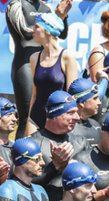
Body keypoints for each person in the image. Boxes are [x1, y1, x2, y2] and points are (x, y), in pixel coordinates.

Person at [6, 0, 70, 136]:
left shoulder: (46, 7)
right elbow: (26, 31)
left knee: (51, 114)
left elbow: (61, 32)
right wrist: (55, 19)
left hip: (45, 63)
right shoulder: (16, 4)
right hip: (25, 65)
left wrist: (61, 17)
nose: (37, 28)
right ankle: (21, 152)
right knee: (27, 117)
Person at [26, 12, 78, 134]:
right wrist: (28, 118)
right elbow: (34, 93)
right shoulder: (34, 58)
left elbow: (72, 96)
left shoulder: (67, 57)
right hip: (36, 116)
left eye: (37, 27)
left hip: (58, 118)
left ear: (48, 30)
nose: (32, 30)